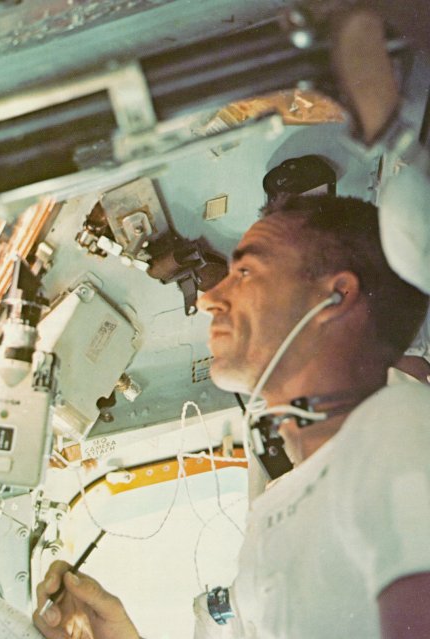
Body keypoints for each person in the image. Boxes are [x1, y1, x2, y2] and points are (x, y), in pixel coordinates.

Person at [33, 194, 430, 639]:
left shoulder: (408, 442)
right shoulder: (281, 504)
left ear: (335, 297)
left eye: (245, 273)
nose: (210, 300)